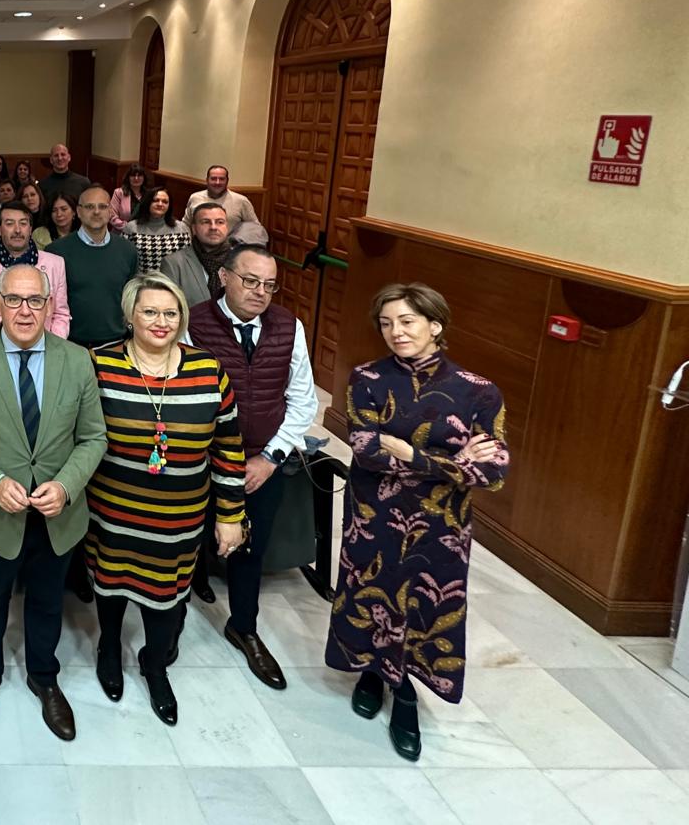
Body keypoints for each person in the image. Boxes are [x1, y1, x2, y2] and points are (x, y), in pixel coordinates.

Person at [326, 283, 509, 761]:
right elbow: (365, 452)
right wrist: (451, 461)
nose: (396, 332)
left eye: (407, 321)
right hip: (374, 516)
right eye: (386, 323)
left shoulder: (478, 392)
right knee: (371, 592)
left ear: (435, 325)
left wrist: (409, 453)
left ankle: (405, 690)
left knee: (426, 603)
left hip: (441, 525)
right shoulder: (366, 377)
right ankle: (372, 670)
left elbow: (492, 472)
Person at [0, 264, 107, 742]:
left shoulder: (77, 361)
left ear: (51, 305)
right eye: (15, 300)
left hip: (59, 513)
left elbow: (93, 437)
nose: (26, 310)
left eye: (36, 300)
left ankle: (44, 677)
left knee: (48, 601)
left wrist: (68, 485)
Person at [84, 273, 247, 727]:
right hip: (113, 513)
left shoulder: (208, 371)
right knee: (110, 587)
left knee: (166, 598)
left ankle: (155, 665)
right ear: (129, 316)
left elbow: (229, 448)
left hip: (179, 520)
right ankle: (108, 647)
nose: (161, 321)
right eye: (149, 311)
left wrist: (231, 515)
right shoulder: (99, 365)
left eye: (171, 313)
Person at [182, 244, 316, 691]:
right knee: (187, 539)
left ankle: (244, 626)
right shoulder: (194, 323)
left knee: (249, 547)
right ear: (224, 277)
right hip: (201, 459)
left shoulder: (288, 326)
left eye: (270, 285)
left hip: (262, 460)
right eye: (251, 281)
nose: (261, 292)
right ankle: (174, 618)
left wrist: (271, 458)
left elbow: (303, 401)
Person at [45, 186, 141, 348]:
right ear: (78, 211)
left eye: (103, 206)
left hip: (117, 342)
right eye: (89, 207)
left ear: (111, 211)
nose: (96, 212)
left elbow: (132, 300)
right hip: (70, 343)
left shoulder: (127, 250)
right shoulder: (56, 251)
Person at [0, 201, 71, 338]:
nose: (17, 230)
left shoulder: (55, 264)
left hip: (42, 351)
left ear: (30, 229)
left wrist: (51, 349)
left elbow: (60, 314)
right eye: (10, 224)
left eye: (23, 223)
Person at [160, 202, 231, 311]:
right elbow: (168, 308)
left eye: (219, 222)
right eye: (206, 222)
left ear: (227, 227)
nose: (213, 227)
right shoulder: (173, 263)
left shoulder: (242, 261)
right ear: (194, 229)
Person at [127, 187, 192, 273]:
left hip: (172, 281)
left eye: (165, 202)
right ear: (148, 202)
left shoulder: (182, 228)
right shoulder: (132, 227)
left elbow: (188, 260)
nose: (160, 204)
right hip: (142, 281)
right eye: (155, 200)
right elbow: (125, 258)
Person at [183, 165, 260, 235]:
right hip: (198, 248)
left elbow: (255, 229)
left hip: (230, 248)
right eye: (213, 179)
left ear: (227, 180)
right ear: (207, 180)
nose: (217, 182)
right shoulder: (195, 198)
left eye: (222, 179)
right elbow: (186, 225)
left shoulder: (241, 201)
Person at [109, 164, 150, 234]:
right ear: (128, 178)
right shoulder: (119, 193)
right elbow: (112, 216)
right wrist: (128, 228)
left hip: (143, 233)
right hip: (121, 233)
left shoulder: (149, 194)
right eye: (133, 175)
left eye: (139, 175)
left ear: (144, 178)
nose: (136, 178)